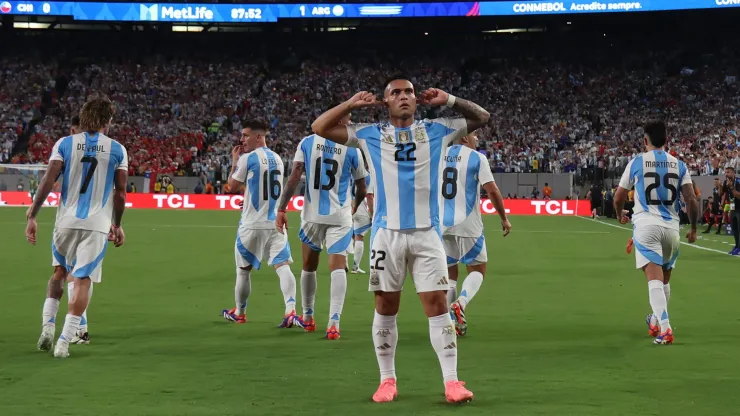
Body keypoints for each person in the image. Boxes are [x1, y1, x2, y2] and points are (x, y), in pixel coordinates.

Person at [311, 76, 490, 403]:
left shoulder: (438, 130)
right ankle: (387, 380)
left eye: (409, 91)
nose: (404, 96)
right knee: (385, 306)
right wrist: (350, 104)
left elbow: (482, 117)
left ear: (416, 99)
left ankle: (452, 382)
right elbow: (320, 127)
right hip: (386, 236)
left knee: (438, 306)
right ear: (386, 102)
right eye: (396, 93)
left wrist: (449, 98)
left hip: (427, 235)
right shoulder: (369, 134)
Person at [26, 95, 128, 358]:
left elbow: (49, 180)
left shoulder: (65, 143)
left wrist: (32, 214)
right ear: (108, 120)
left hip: (65, 222)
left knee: (59, 273)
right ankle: (64, 341)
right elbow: (120, 193)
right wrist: (117, 224)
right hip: (96, 225)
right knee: (82, 280)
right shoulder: (117, 149)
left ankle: (48, 327)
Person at [277, 106, 367, 339]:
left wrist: (281, 207)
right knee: (338, 267)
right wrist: (355, 205)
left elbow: (295, 175)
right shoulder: (352, 149)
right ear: (342, 120)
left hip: (312, 215)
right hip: (340, 216)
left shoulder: (307, 142)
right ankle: (334, 322)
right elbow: (361, 187)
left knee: (309, 266)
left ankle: (307, 318)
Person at [613, 120, 698, 346]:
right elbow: (691, 199)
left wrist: (619, 213)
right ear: (666, 141)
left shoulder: (637, 162)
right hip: (672, 229)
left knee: (654, 280)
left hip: (647, 226)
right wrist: (693, 227)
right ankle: (655, 321)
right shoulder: (679, 165)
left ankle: (666, 329)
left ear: (645, 140)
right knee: (664, 280)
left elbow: (618, 196)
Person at [221, 121, 300, 327]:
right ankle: (290, 310)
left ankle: (240, 312)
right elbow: (267, 189)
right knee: (283, 267)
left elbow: (232, 186)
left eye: (246, 135)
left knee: (243, 270)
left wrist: (234, 161)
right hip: (274, 223)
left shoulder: (248, 158)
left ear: (258, 137)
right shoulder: (277, 158)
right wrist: (247, 199)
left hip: (252, 225)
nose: (242, 140)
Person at [441, 131, 511, 337]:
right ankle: (460, 303)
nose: (477, 140)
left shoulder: (438, 154)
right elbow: (492, 190)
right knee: (478, 270)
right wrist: (504, 218)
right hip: (467, 224)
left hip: (442, 225)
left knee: (450, 274)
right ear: (464, 137)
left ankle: (448, 323)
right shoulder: (477, 157)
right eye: (474, 135)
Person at [348, 166, 374, 274]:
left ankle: (343, 263)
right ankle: (355, 267)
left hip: (348, 207)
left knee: (346, 235)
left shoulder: (350, 174)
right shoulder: (367, 176)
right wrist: (372, 214)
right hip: (359, 208)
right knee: (359, 236)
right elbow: (369, 197)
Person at [723, 167, 740, 255]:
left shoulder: (738, 182)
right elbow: (722, 193)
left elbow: (738, 195)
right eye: (725, 172)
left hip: (739, 208)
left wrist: (731, 187)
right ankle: (737, 246)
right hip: (732, 208)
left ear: (733, 173)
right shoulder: (726, 182)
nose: (726, 174)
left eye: (728, 172)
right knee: (734, 228)